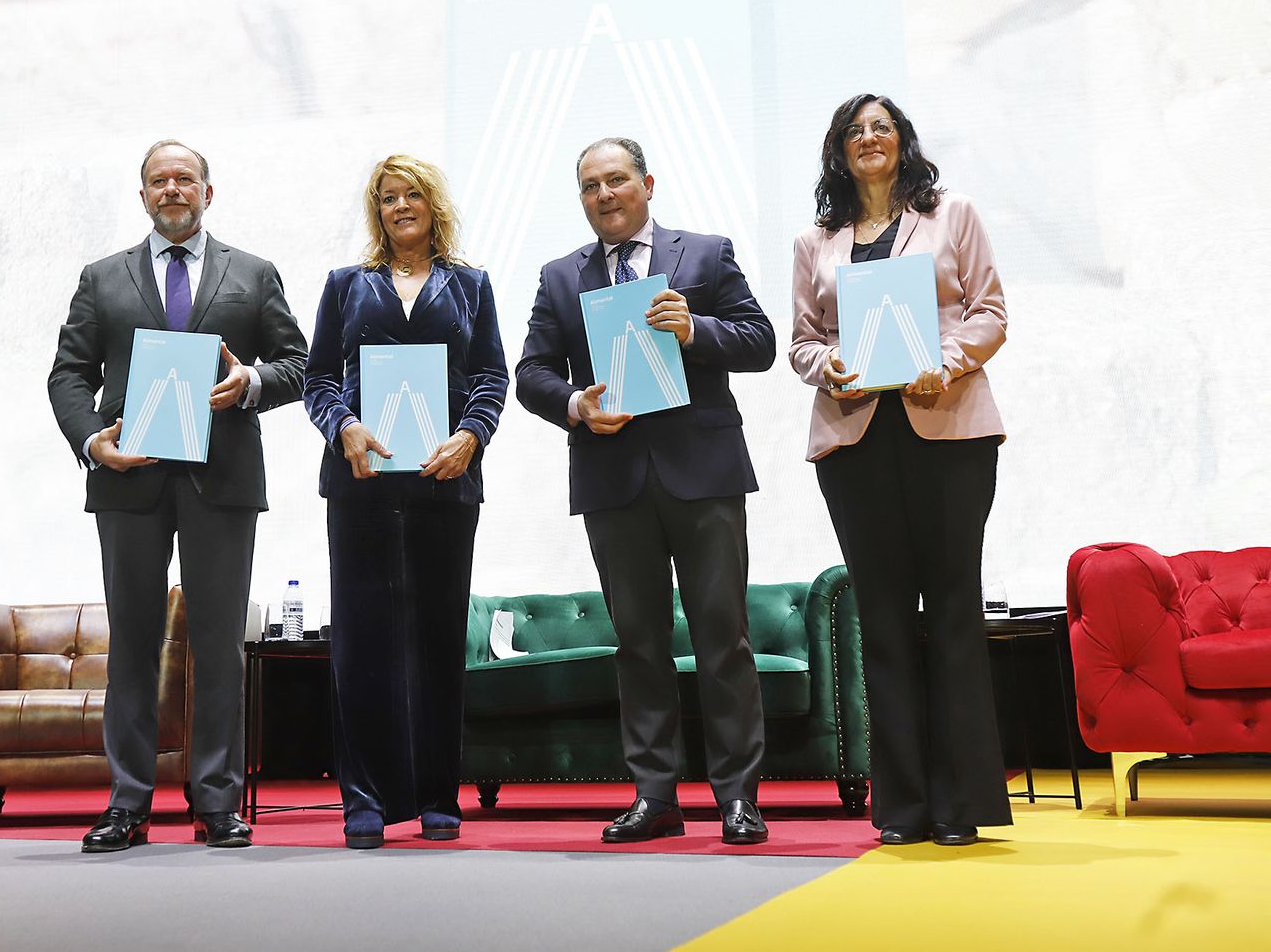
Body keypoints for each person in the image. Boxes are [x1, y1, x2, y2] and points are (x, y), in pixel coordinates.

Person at [48, 139, 309, 852]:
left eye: (184, 178)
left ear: (208, 192)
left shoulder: (253, 274)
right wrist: (91, 439)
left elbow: (298, 363)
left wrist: (250, 382)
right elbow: (68, 374)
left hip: (220, 479)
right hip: (128, 477)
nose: (172, 189)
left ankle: (216, 800)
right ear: (142, 196)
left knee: (219, 645)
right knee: (132, 644)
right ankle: (128, 803)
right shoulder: (100, 278)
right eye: (158, 180)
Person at [515, 137, 775, 846]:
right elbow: (531, 372)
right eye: (590, 185)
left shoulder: (706, 253)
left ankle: (738, 798)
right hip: (612, 475)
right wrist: (575, 404)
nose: (605, 194)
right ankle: (655, 795)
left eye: (617, 180)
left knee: (724, 637)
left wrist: (696, 329)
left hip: (704, 472)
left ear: (647, 183)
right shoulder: (559, 277)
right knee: (638, 643)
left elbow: (759, 341)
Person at [790, 94, 1012, 847]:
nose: (869, 139)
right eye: (854, 131)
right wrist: (834, 366)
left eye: (881, 127)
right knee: (882, 619)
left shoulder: (953, 214)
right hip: (855, 443)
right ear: (839, 152)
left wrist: (941, 365)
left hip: (946, 429)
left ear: (903, 140)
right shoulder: (814, 239)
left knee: (952, 610)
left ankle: (961, 802)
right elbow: (803, 341)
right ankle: (905, 806)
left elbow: (989, 311)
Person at [303, 154, 508, 849]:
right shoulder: (344, 286)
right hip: (359, 484)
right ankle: (364, 798)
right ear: (377, 212)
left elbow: (490, 375)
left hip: (445, 484)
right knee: (361, 642)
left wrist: (471, 437)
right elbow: (319, 379)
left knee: (437, 638)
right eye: (387, 198)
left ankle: (436, 795)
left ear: (432, 203)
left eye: (411, 193)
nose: (400, 206)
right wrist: (344, 427)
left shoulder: (472, 286)